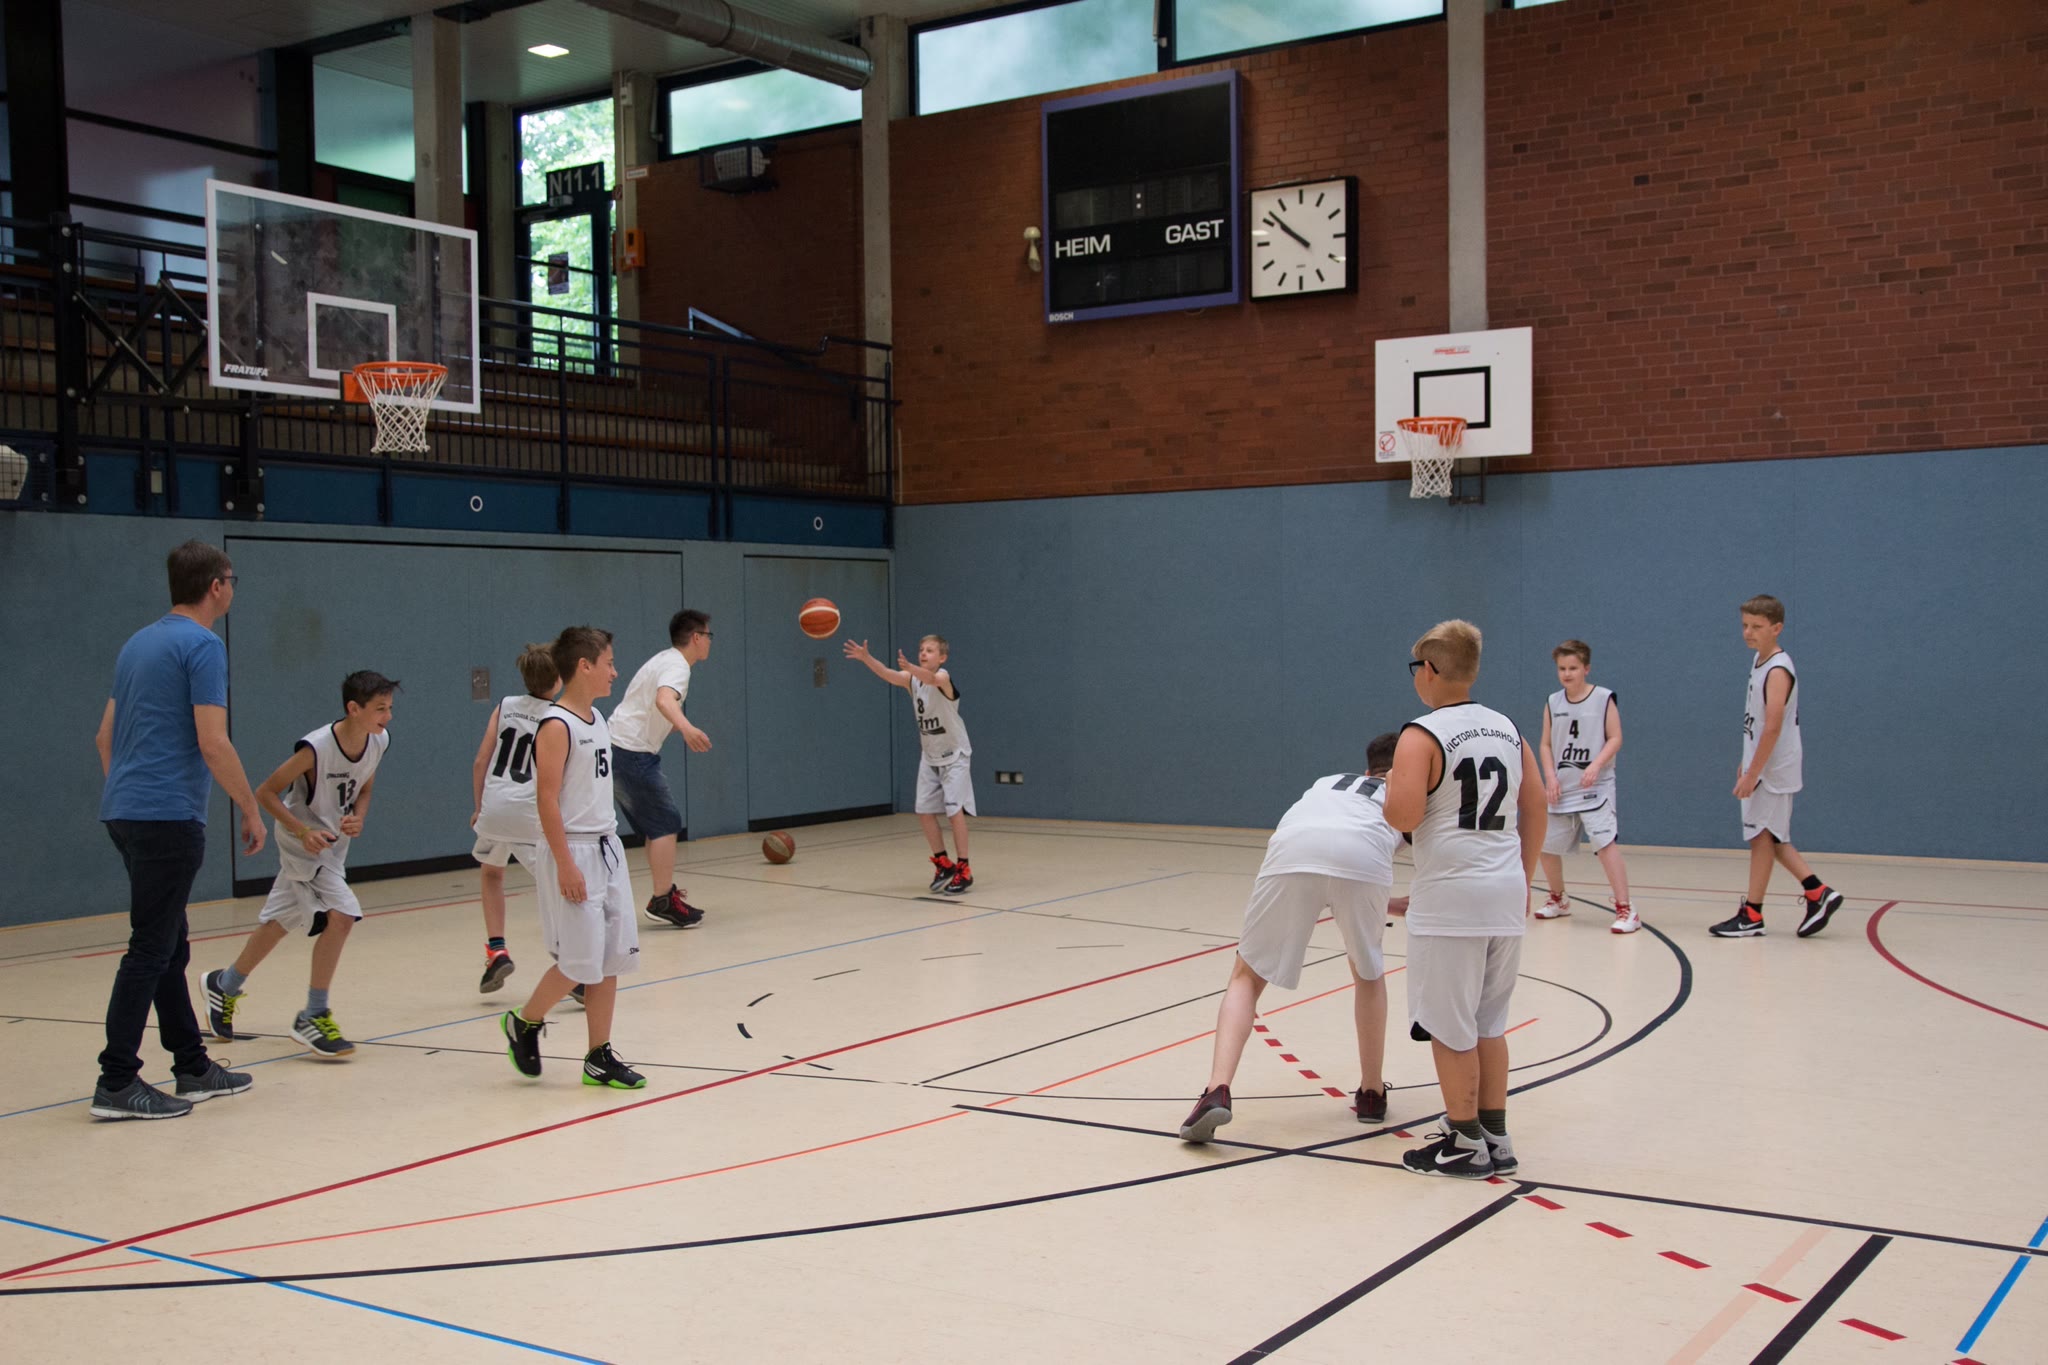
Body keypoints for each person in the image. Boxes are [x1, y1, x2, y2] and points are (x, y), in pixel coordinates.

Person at [90, 540, 265, 1120]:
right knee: (151, 946)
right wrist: (249, 807)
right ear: (216, 585)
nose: (233, 589)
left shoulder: (137, 643)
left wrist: (130, 793)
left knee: (170, 942)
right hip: (167, 816)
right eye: (232, 580)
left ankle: (191, 1065)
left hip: (125, 810)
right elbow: (213, 741)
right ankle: (116, 1081)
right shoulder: (203, 645)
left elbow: (104, 737)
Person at [1180, 733, 1404, 1143]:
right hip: (1363, 857)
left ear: (1367, 769)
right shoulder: (1406, 795)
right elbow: (1355, 863)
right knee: (1367, 974)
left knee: (1246, 976)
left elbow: (1326, 854)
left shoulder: (1327, 783)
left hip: (1293, 849)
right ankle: (1372, 1093)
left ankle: (1216, 1090)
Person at [1384, 620, 1546, 1179]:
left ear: (1429, 670)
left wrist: (1393, 789)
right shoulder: (1507, 729)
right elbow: (1536, 804)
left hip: (1451, 898)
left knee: (1448, 1026)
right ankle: (1495, 1135)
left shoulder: (1420, 735)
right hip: (1503, 893)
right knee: (1488, 1024)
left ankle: (1463, 1141)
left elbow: (1404, 816)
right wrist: (1523, 876)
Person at [202, 672, 396, 1060]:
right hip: (301, 843)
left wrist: (359, 816)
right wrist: (302, 830)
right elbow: (266, 792)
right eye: (380, 709)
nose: (387, 716)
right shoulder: (316, 748)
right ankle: (313, 1014)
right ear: (353, 709)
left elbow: (365, 787)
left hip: (332, 845)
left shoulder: (378, 740)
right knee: (342, 915)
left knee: (279, 922)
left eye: (390, 708)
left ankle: (225, 984)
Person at [500, 627, 647, 1089]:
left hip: (607, 846)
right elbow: (545, 799)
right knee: (579, 962)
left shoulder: (597, 718)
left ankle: (598, 1055)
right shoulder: (556, 724)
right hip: (572, 849)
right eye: (609, 663)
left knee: (611, 958)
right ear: (585, 666)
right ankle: (524, 1021)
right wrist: (565, 863)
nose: (614, 672)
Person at [1710, 595, 1844, 939]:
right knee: (1771, 837)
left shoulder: (1778, 670)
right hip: (1764, 764)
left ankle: (1754, 914)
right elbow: (1756, 724)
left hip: (1772, 770)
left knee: (1762, 838)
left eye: (1757, 626)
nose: (1748, 632)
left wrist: (1754, 773)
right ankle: (1817, 893)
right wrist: (1747, 760)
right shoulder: (1759, 660)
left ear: (1777, 628)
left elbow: (1772, 726)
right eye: (1745, 625)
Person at [843, 633, 975, 894]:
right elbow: (888, 674)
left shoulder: (943, 677)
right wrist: (866, 658)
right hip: (930, 755)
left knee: (954, 811)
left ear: (942, 658)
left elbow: (932, 679)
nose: (923, 653)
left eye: (930, 650)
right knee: (923, 811)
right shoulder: (912, 679)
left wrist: (912, 668)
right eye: (921, 649)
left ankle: (964, 868)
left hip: (955, 755)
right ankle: (943, 863)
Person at [608, 610, 713, 929]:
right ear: (697, 637)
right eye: (709, 636)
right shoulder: (677, 666)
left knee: (657, 828)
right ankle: (662, 899)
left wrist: (676, 727)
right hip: (631, 752)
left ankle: (663, 895)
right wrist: (687, 729)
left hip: (618, 748)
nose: (710, 642)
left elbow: (655, 707)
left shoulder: (664, 659)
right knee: (667, 823)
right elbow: (664, 701)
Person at [468, 643, 562, 993]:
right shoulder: (558, 716)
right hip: (528, 812)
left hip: (494, 808)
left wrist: (479, 807)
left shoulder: (505, 705)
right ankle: (569, 965)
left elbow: (481, 761)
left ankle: (497, 950)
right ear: (560, 678)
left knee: (492, 873)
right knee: (555, 887)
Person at [1533, 640, 1637, 934]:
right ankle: (1558, 899)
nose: (1567, 674)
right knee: (1545, 845)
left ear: (1586, 669)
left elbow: (1616, 738)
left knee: (1605, 845)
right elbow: (1545, 744)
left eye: (1573, 668)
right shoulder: (1553, 702)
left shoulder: (1603, 698)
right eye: (1562, 669)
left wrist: (1595, 765)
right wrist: (1550, 777)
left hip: (1596, 786)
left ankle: (1626, 908)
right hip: (1563, 787)